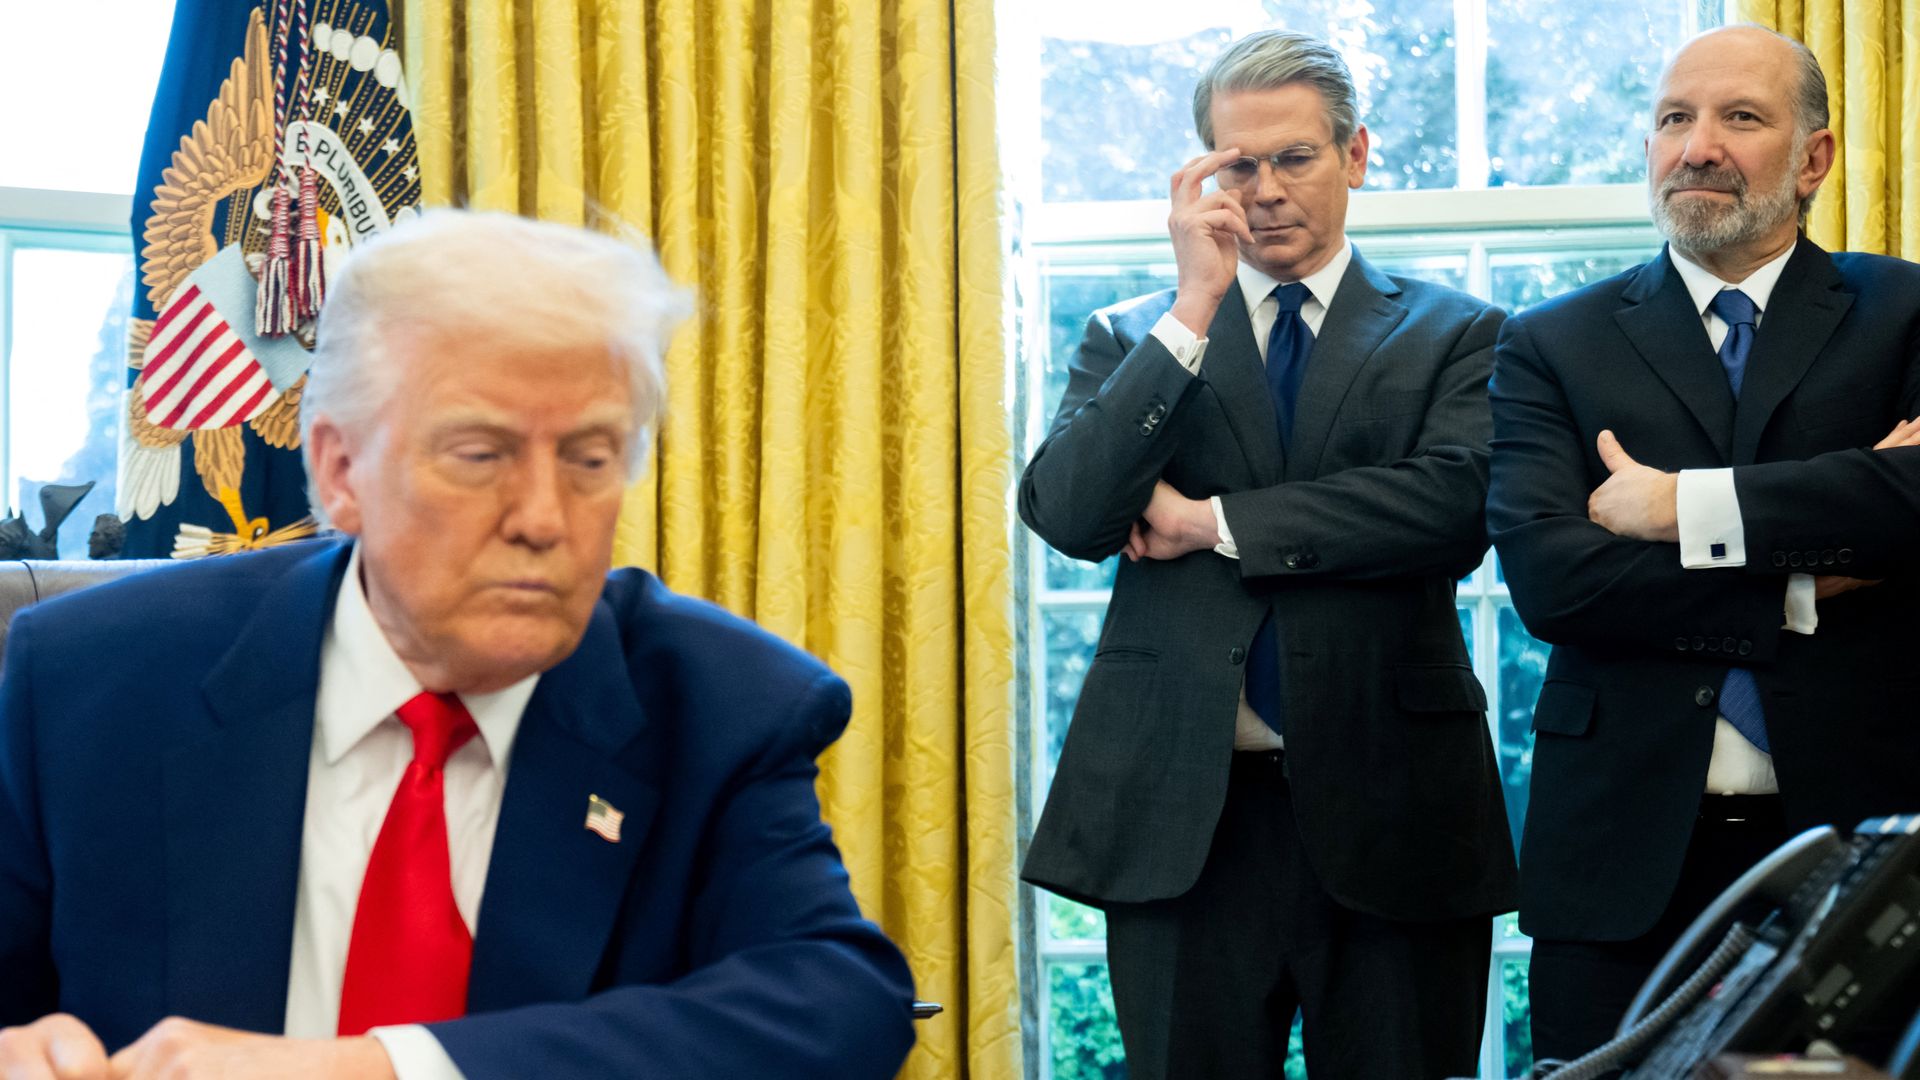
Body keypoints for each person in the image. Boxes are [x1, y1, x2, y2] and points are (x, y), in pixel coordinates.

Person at [0, 210, 917, 1079]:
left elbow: (841, 1002)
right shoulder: (93, 680)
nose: (544, 519)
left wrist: (388, 1066)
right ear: (340, 469)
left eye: (590, 459)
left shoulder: (721, 704)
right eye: (481, 455)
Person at [1019, 29, 1518, 1080]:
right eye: (1238, 165)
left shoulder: (1461, 333)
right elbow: (1070, 511)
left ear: (1357, 155)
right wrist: (1192, 305)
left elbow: (1449, 506)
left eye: (1294, 158)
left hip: (1397, 806)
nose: (1267, 188)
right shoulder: (1136, 334)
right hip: (1180, 822)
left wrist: (1210, 523)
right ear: (1202, 175)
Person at [1488, 24, 1920, 1063]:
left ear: (1813, 156)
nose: (1697, 146)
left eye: (1740, 117)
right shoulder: (1550, 342)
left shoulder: (1904, 310)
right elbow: (1558, 581)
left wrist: (1678, 508)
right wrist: (1804, 584)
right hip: (1616, 856)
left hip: (1863, 837)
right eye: (1674, 119)